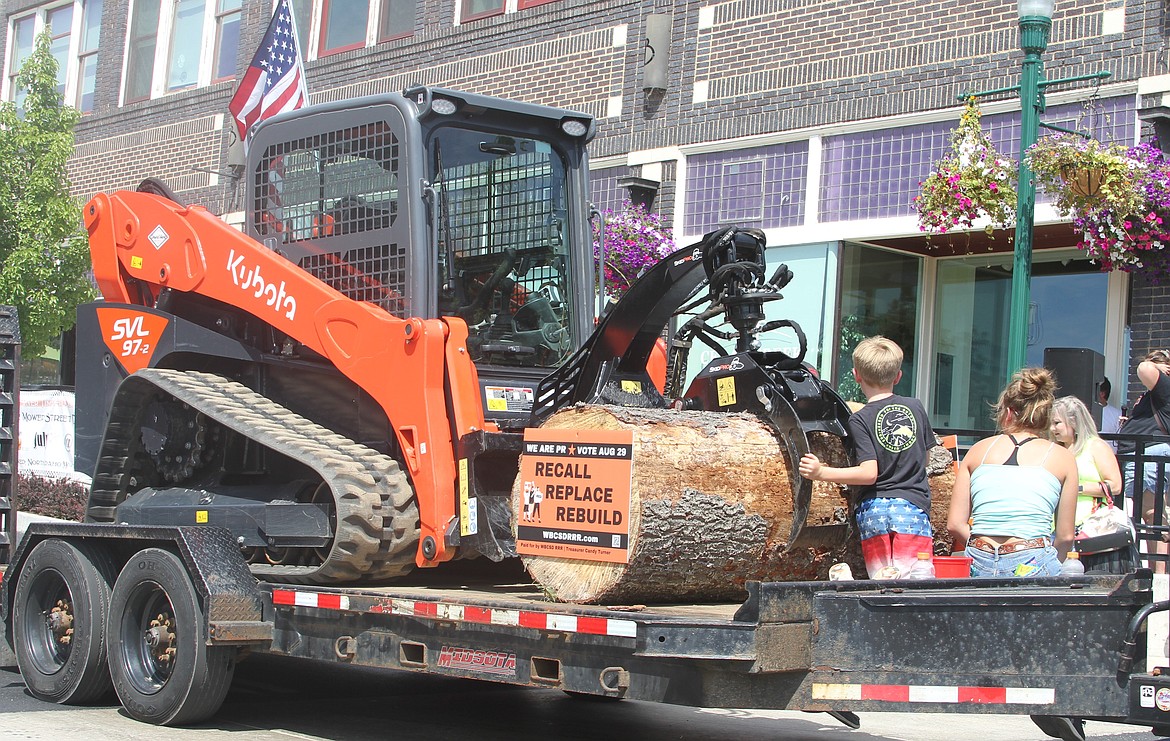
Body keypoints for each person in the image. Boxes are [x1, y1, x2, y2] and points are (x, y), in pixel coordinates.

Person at [798, 336, 934, 579]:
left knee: (881, 582)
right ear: (898, 376)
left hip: (875, 510)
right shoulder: (916, 407)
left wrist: (822, 472)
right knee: (916, 581)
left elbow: (869, 473)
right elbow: (924, 460)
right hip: (912, 508)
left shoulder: (860, 419)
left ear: (856, 375)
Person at [947, 368, 1078, 577]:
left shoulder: (978, 451)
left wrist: (984, 549)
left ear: (1007, 411)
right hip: (1032, 555)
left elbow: (954, 524)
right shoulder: (1062, 457)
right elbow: (1065, 535)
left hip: (980, 555)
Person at [1117, 350, 1170, 569]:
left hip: (1149, 455)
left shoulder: (1164, 387)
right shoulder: (1155, 395)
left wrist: (1157, 368)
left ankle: (1158, 572)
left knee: (1152, 516)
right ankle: (1154, 570)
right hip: (1145, 455)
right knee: (1151, 516)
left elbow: (1143, 368)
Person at [1052, 395, 1122, 530]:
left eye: (1056, 423)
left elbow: (1115, 486)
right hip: (1053, 527)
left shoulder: (1096, 446)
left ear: (1074, 422)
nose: (1052, 429)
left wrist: (1075, 488)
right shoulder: (1054, 449)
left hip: (1088, 526)